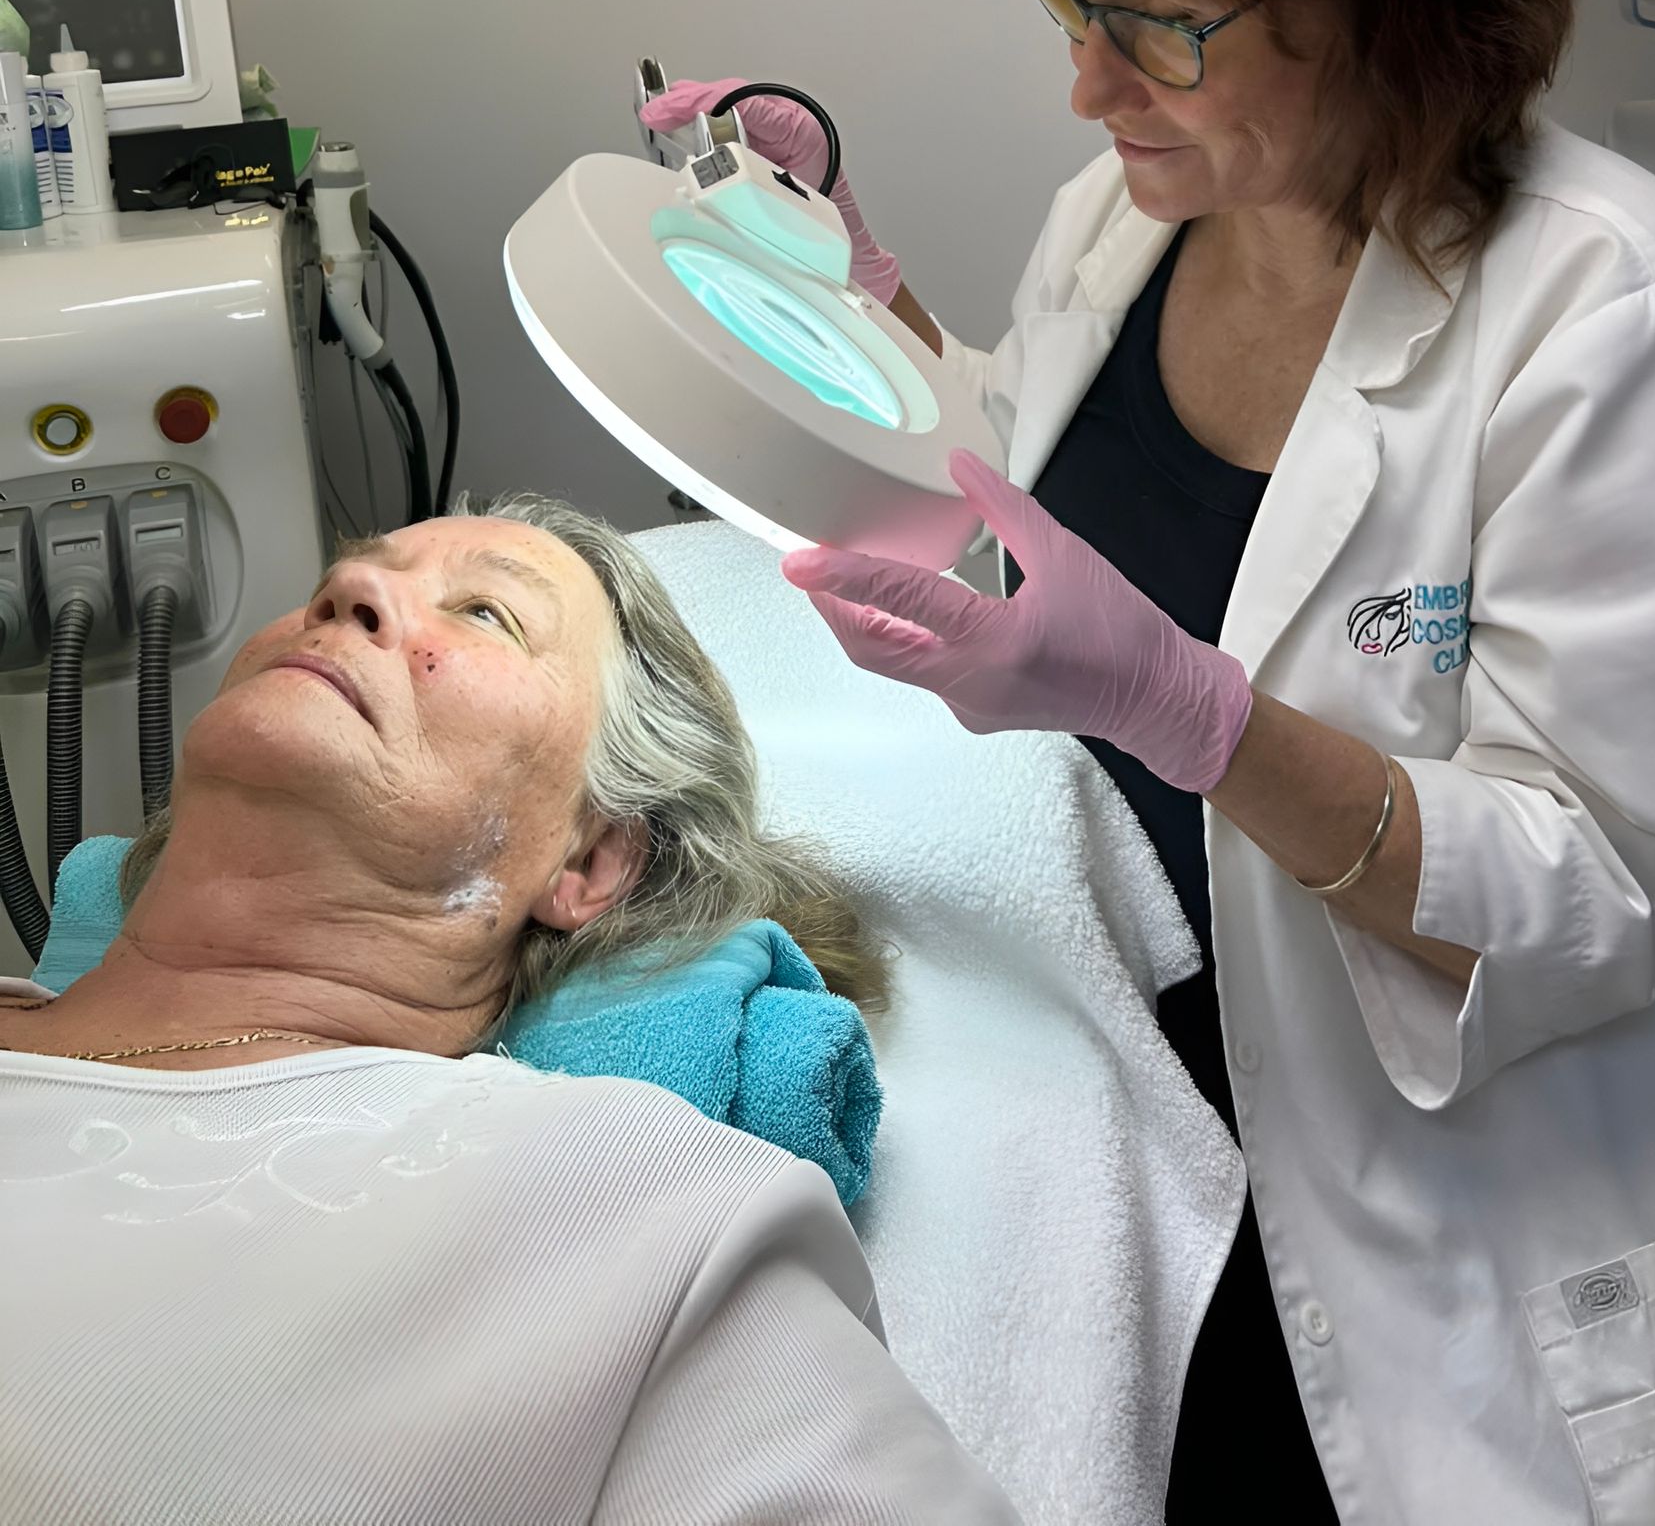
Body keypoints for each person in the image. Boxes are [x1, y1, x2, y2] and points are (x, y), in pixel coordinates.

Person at [647, 0, 1655, 1524]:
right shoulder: (1119, 220)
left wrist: (1190, 709)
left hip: (1496, 1265)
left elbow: (1597, 898)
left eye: (1158, 23)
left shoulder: (1621, 312)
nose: (1086, 79)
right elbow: (1031, 478)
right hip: (1166, 1192)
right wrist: (850, 282)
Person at [0, 493, 1019, 1526]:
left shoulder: (637, 1223)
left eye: (486, 613)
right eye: (337, 580)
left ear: (587, 858)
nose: (350, 589)